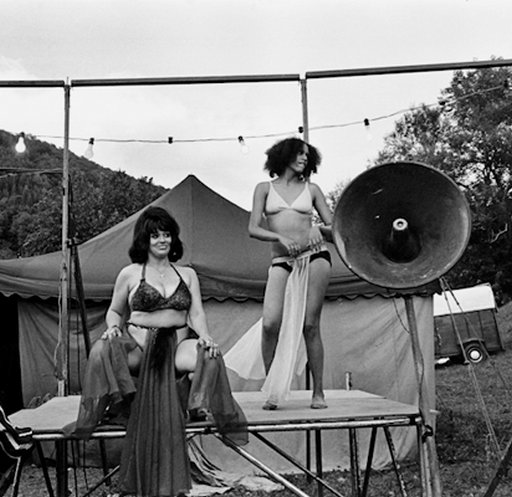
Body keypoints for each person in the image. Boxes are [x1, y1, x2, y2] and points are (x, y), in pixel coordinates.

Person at [68, 206, 247, 497]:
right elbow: (115, 311)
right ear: (145, 240)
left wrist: (205, 336)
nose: (162, 240)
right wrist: (113, 327)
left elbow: (197, 314)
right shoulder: (130, 273)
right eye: (155, 235)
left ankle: (195, 406)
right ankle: (114, 405)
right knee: (102, 349)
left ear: (173, 239)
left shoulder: (187, 274)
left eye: (167, 235)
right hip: (140, 347)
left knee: (210, 355)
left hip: (175, 345)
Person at [227, 137, 332, 411]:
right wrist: (278, 237)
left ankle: (318, 392)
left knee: (310, 324)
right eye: (300, 154)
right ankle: (274, 387)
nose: (304, 159)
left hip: (314, 257)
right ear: (284, 156)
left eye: (308, 155)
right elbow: (253, 228)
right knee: (270, 323)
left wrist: (318, 228)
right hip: (282, 259)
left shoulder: (312, 190)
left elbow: (336, 227)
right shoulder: (264, 189)